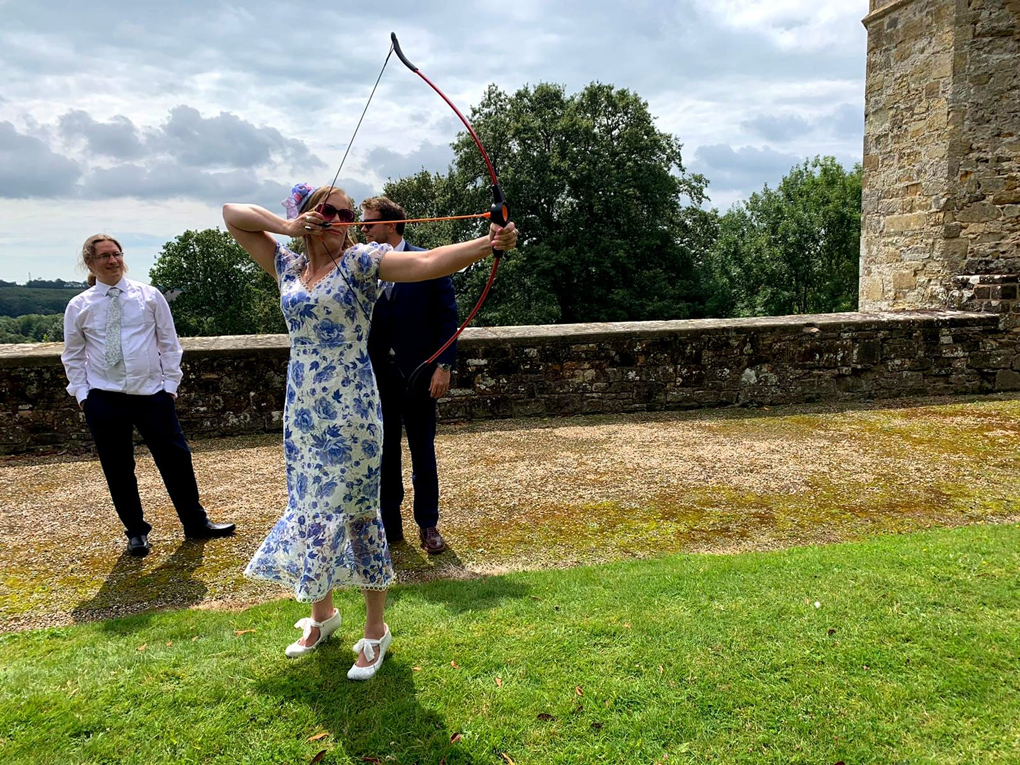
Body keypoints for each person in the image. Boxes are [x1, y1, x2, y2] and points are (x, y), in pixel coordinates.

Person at [222, 183, 517, 680]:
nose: (342, 220)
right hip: (304, 409)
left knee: (358, 513)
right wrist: (289, 228)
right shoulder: (289, 265)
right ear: (309, 215)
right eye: (329, 211)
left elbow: (428, 264)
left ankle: (375, 630)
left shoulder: (362, 262)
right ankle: (323, 617)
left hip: (354, 407)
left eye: (346, 213)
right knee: (309, 508)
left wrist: (488, 243)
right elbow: (233, 214)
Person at [60, 234, 236, 557]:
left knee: (176, 460)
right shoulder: (79, 306)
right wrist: (84, 397)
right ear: (90, 263)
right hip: (104, 399)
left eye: (116, 254)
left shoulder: (149, 296)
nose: (113, 260)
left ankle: (196, 523)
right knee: (118, 468)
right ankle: (136, 532)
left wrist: (170, 387)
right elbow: (73, 356)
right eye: (104, 256)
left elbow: (169, 344)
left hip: (152, 395)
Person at [363, 196, 456, 554]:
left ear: (391, 225)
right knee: (384, 455)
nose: (363, 229)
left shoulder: (426, 261)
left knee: (422, 453)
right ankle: (390, 528)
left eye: (368, 223)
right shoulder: (362, 266)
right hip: (376, 378)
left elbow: (448, 319)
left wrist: (444, 366)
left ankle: (428, 525)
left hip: (420, 375)